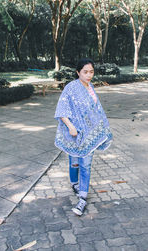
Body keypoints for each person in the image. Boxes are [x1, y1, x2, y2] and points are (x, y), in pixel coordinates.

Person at [54, 58, 113, 216]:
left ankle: (82, 198)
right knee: (74, 161)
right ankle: (74, 183)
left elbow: (96, 110)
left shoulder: (91, 87)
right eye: (85, 72)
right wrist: (71, 126)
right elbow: (61, 110)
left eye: (91, 72)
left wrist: (102, 127)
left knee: (85, 164)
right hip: (74, 133)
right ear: (78, 72)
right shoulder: (71, 88)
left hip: (89, 134)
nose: (89, 75)